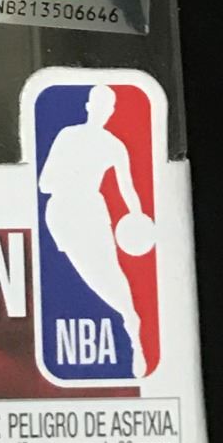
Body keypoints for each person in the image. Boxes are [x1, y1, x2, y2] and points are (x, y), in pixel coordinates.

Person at [37, 85, 147, 377]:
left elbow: (128, 188)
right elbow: (44, 183)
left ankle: (133, 327)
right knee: (93, 275)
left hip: (90, 211)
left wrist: (137, 216)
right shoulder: (68, 136)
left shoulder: (114, 146)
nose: (101, 111)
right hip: (63, 214)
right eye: (99, 105)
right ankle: (129, 318)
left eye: (105, 107)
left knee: (109, 271)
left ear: (109, 111)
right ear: (89, 107)